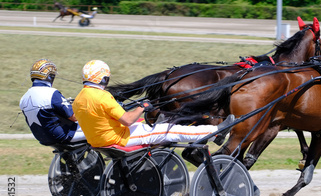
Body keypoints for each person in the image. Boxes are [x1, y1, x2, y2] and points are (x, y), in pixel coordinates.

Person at [72, 60, 235, 148]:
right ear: (104, 78)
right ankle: (215, 132)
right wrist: (142, 107)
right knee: (168, 131)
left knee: (152, 126)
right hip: (119, 138)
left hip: (99, 140)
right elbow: (128, 120)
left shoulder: (80, 97)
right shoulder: (102, 96)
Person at [19, 59, 86, 146]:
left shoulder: (23, 98)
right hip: (61, 137)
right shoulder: (51, 93)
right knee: (97, 131)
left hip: (42, 138)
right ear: (50, 76)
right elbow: (74, 117)